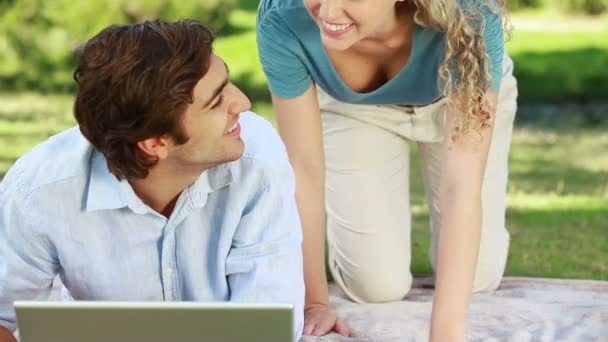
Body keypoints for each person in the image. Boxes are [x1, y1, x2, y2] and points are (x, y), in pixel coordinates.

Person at [0, 20, 304, 342]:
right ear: (155, 143)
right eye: (216, 102)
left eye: (227, 83)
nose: (242, 102)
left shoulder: (255, 159)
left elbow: (265, 327)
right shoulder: (39, 190)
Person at [256, 0, 518, 339]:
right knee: (374, 286)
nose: (329, 13)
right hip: (354, 107)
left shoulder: (472, 15)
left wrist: (445, 334)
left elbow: (461, 185)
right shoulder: (282, 16)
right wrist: (314, 302)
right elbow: (303, 169)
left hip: (456, 93)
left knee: (480, 276)